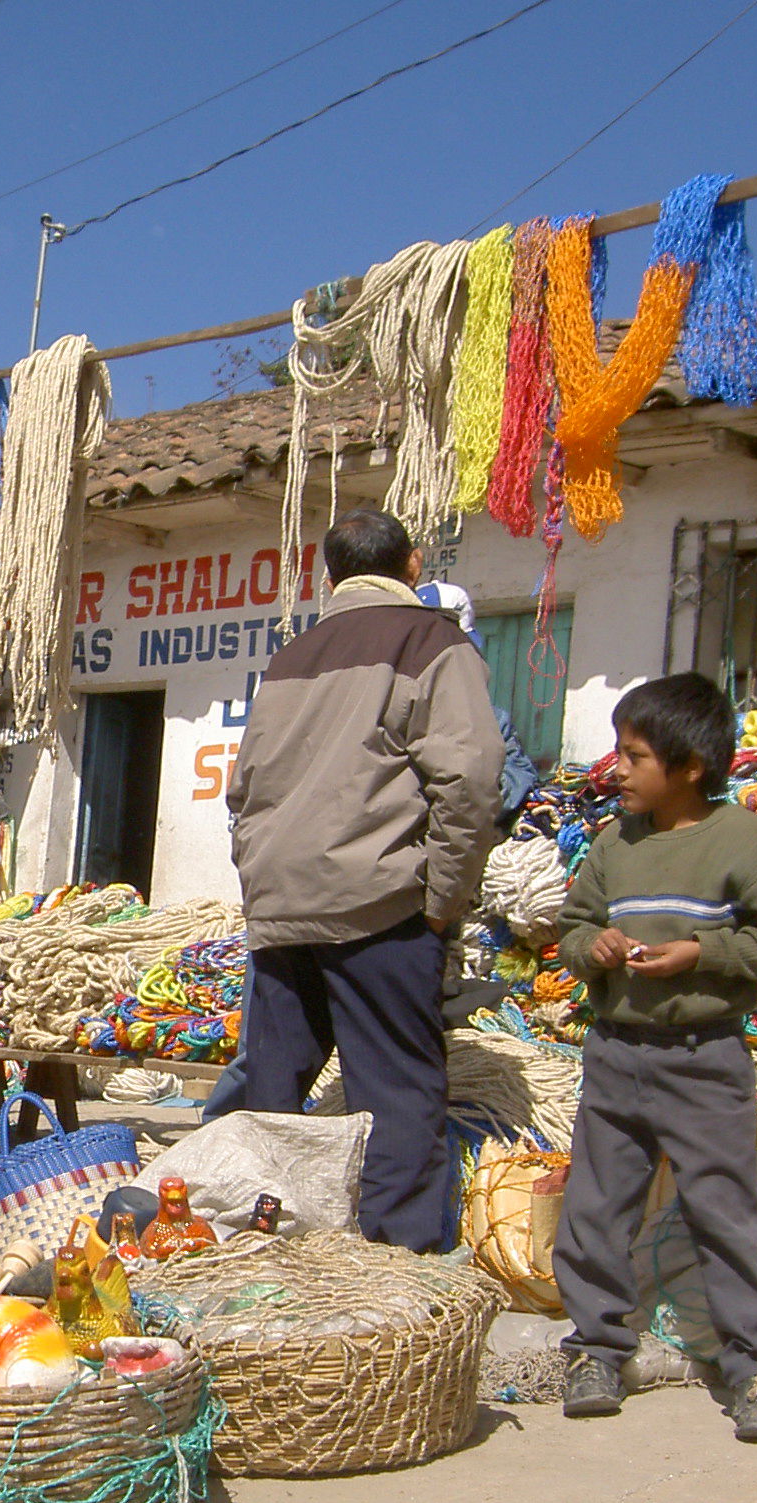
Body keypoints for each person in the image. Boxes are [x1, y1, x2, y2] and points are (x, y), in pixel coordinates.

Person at [549, 673, 757, 1445]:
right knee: (596, 1209)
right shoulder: (613, 844)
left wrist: (702, 954)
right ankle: (596, 1351)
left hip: (705, 1062)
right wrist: (591, 949)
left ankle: (756, 1371)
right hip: (616, 1057)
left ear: (691, 765)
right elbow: (573, 927)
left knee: (725, 1214)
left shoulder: (740, 841)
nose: (618, 768)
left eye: (635, 756)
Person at [224, 508, 501, 1253]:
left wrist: (261, 879)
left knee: (273, 1098)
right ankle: (396, 1268)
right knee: (399, 1095)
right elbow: (472, 781)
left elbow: (242, 790)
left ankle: (260, 1252)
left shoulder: (291, 657)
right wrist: (443, 902)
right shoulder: (432, 641)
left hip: (282, 905)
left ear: (329, 577)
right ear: (414, 566)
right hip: (379, 906)